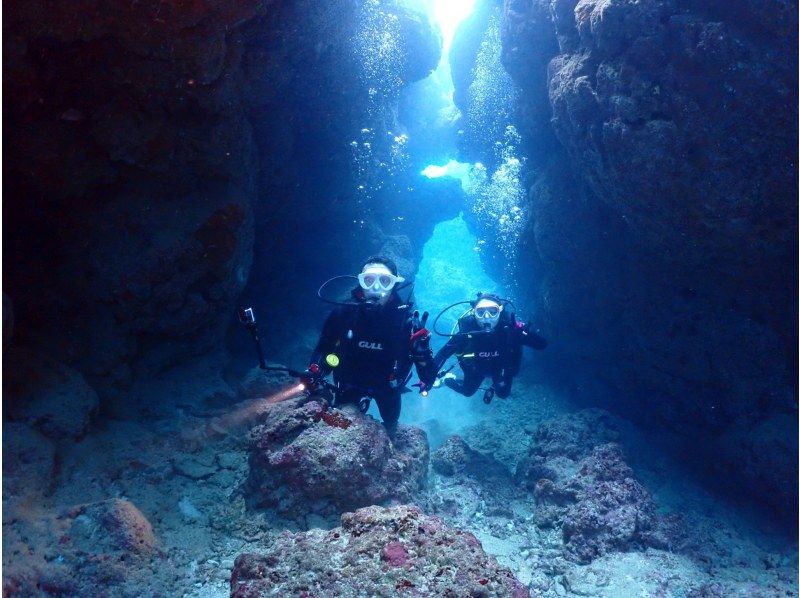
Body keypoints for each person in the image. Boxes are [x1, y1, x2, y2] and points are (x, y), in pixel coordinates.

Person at [307, 257, 437, 431]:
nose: (376, 288)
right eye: (369, 280)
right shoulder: (343, 314)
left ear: (394, 285)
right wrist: (315, 369)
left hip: (388, 389)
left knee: (391, 426)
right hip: (347, 384)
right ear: (360, 282)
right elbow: (323, 349)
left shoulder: (406, 322)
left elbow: (428, 379)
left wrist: (422, 353)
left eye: (385, 281)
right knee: (339, 430)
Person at [433, 293, 547, 402]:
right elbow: (443, 353)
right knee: (467, 392)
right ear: (474, 313)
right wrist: (428, 377)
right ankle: (446, 380)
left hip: (501, 369)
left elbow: (542, 345)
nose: (486, 317)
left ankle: (493, 386)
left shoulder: (510, 330)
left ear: (500, 310)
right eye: (480, 312)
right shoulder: (466, 333)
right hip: (475, 369)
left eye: (493, 311)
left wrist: (525, 334)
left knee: (503, 393)